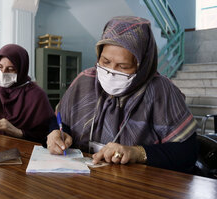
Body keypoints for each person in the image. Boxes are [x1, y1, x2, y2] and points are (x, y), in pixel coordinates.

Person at [47, 16, 198, 173]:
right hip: (83, 180)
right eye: (105, 62)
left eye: (123, 66)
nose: (111, 71)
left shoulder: (161, 91)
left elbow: (187, 152)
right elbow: (59, 120)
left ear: (142, 65)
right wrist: (56, 132)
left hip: (135, 187)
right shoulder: (85, 81)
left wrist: (137, 153)